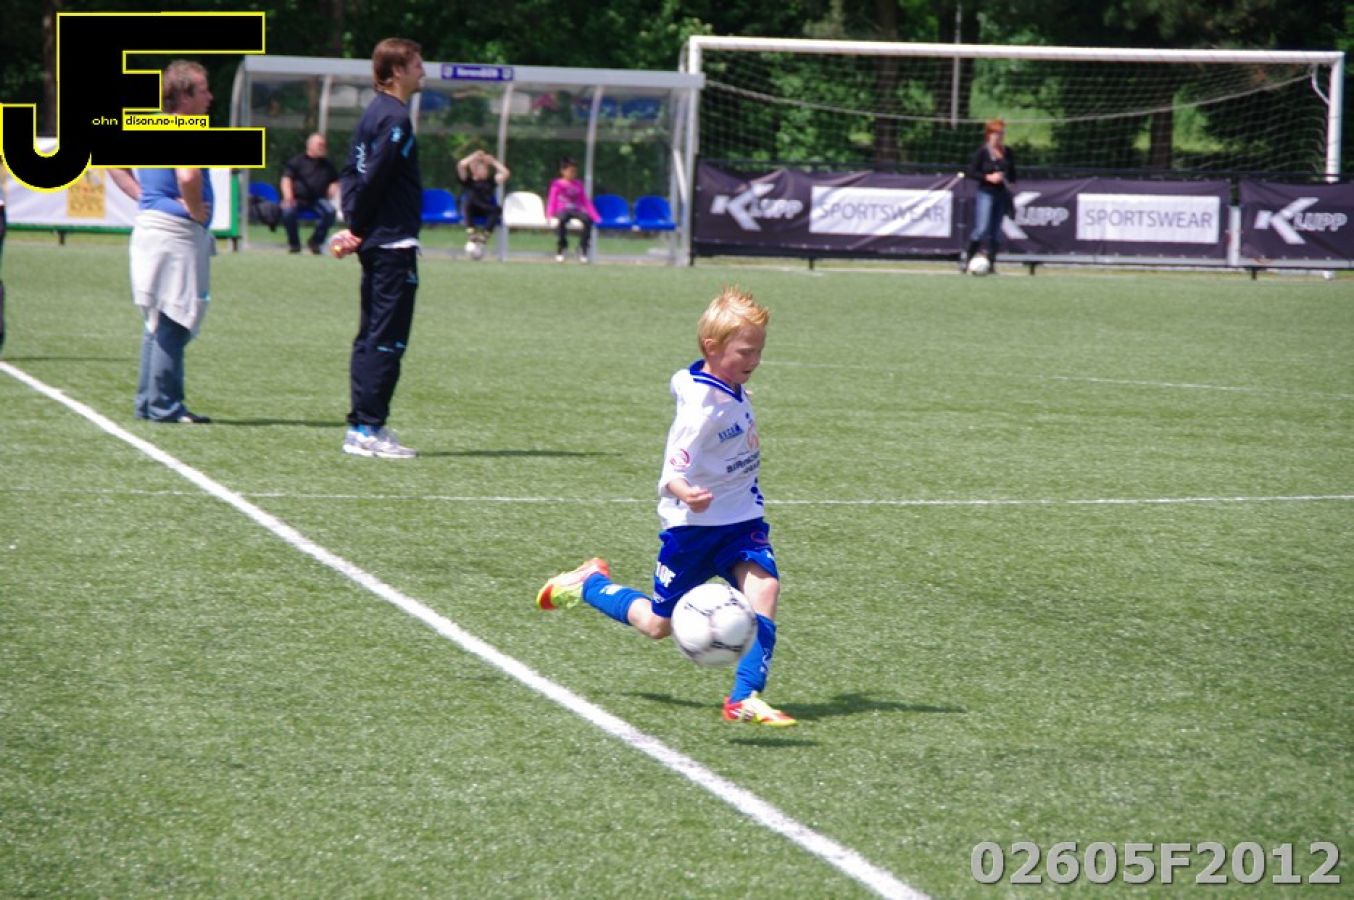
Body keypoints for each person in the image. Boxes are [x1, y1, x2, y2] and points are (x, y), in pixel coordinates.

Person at [536, 287, 796, 727]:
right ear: (712, 348)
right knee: (658, 625)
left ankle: (744, 697)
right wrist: (686, 492)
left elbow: (690, 379)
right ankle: (588, 584)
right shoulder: (702, 411)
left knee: (765, 590)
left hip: (741, 522)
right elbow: (671, 472)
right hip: (692, 530)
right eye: (746, 352)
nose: (755, 360)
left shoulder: (722, 382)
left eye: (759, 350)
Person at [328, 38, 425, 460]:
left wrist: (354, 225)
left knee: (369, 336)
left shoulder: (372, 113)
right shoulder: (395, 118)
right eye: (417, 64)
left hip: (377, 241)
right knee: (386, 339)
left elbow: (351, 173)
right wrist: (358, 228)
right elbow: (374, 177)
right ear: (397, 70)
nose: (423, 71)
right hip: (392, 244)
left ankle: (362, 426)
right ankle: (368, 429)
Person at [106, 61, 216, 424]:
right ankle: (165, 406)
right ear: (184, 97)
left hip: (152, 229)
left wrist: (144, 196)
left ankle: (149, 402)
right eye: (203, 90)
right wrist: (196, 209)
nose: (209, 97)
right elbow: (188, 175)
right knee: (175, 317)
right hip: (176, 234)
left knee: (157, 320)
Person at [965, 118, 1017, 274]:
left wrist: (1011, 183)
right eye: (997, 133)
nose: (1000, 136)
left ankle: (991, 264)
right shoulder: (983, 152)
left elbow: (1012, 172)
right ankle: (967, 260)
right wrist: (988, 177)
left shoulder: (1007, 152)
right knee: (982, 228)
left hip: (1001, 193)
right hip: (986, 192)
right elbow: (971, 171)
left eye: (1002, 133)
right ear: (989, 134)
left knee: (996, 231)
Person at [280, 132, 341, 254]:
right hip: (298, 199)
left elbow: (335, 180)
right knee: (287, 212)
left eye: (324, 145)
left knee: (330, 212)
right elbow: (286, 179)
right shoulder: (297, 161)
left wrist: (333, 186)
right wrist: (288, 196)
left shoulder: (327, 164)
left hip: (318, 200)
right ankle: (294, 244)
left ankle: (315, 242)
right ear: (310, 145)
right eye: (320, 145)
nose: (323, 147)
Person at [545, 156, 599, 263]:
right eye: (571, 171)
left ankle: (583, 248)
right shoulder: (557, 184)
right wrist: (549, 214)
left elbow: (585, 201)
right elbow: (552, 200)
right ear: (563, 171)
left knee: (587, 220)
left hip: (575, 210)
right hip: (562, 210)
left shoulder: (578, 184)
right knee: (562, 220)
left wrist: (595, 216)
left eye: (575, 171)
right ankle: (562, 247)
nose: (573, 174)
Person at [457, 148, 509, 250]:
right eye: (480, 169)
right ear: (474, 170)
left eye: (485, 169)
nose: (484, 171)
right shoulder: (468, 181)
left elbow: (505, 173)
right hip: (472, 208)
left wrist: (493, 162)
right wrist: (473, 156)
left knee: (496, 209)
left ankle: (485, 235)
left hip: (485, 208)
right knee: (467, 203)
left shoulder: (490, 181)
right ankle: (471, 233)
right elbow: (461, 165)